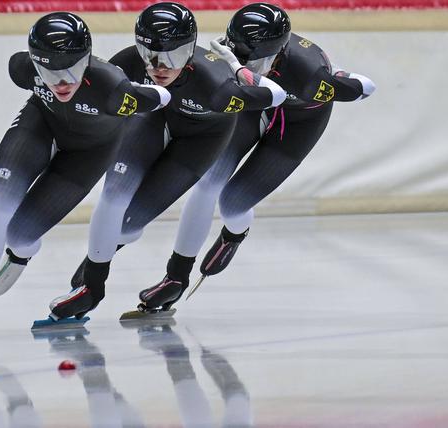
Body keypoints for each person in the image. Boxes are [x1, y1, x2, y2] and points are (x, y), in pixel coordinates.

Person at [0, 12, 170, 334]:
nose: (62, 82)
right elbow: (23, 64)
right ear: (36, 64)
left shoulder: (113, 90)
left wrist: (147, 89)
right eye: (49, 72)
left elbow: (162, 97)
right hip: (39, 127)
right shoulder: (23, 70)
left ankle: (21, 253)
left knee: (20, 234)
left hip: (87, 154)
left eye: (71, 69)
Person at [45, 2, 287, 321]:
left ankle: (177, 277)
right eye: (149, 54)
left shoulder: (216, 83)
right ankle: (91, 287)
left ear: (189, 52)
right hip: (157, 120)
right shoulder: (129, 63)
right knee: (113, 197)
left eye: (172, 56)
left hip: (202, 140)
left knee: (133, 223)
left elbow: (276, 95)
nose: (159, 66)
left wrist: (238, 69)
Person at [151, 2, 377, 307]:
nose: (239, 64)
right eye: (236, 57)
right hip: (253, 108)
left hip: (297, 124)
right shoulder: (234, 49)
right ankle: (176, 277)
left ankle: (235, 232)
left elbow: (366, 87)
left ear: (277, 55)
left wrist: (337, 79)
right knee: (207, 183)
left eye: (248, 61)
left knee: (231, 205)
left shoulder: (309, 74)